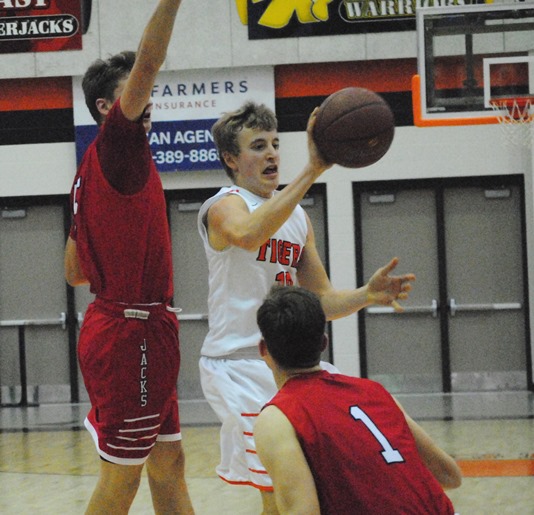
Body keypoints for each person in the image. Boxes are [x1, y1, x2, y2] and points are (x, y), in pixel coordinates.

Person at [197, 101, 416, 513]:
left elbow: (321, 303)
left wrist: (366, 295)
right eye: (258, 146)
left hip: (289, 366)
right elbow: (246, 235)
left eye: (276, 144)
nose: (272, 154)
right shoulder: (224, 205)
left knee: (309, 481)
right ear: (231, 158)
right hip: (239, 362)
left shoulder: (296, 217)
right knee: (279, 492)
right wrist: (313, 170)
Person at [64, 1, 195, 513]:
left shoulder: (90, 171)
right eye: (137, 92)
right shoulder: (119, 144)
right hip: (131, 333)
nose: (149, 97)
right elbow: (150, 60)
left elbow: (74, 272)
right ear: (105, 107)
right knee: (123, 477)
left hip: (133, 327)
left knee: (169, 462)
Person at [255, 285, 462, 514]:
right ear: (324, 343)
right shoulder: (375, 392)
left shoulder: (277, 417)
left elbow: (302, 511)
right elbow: (449, 475)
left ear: (263, 349)